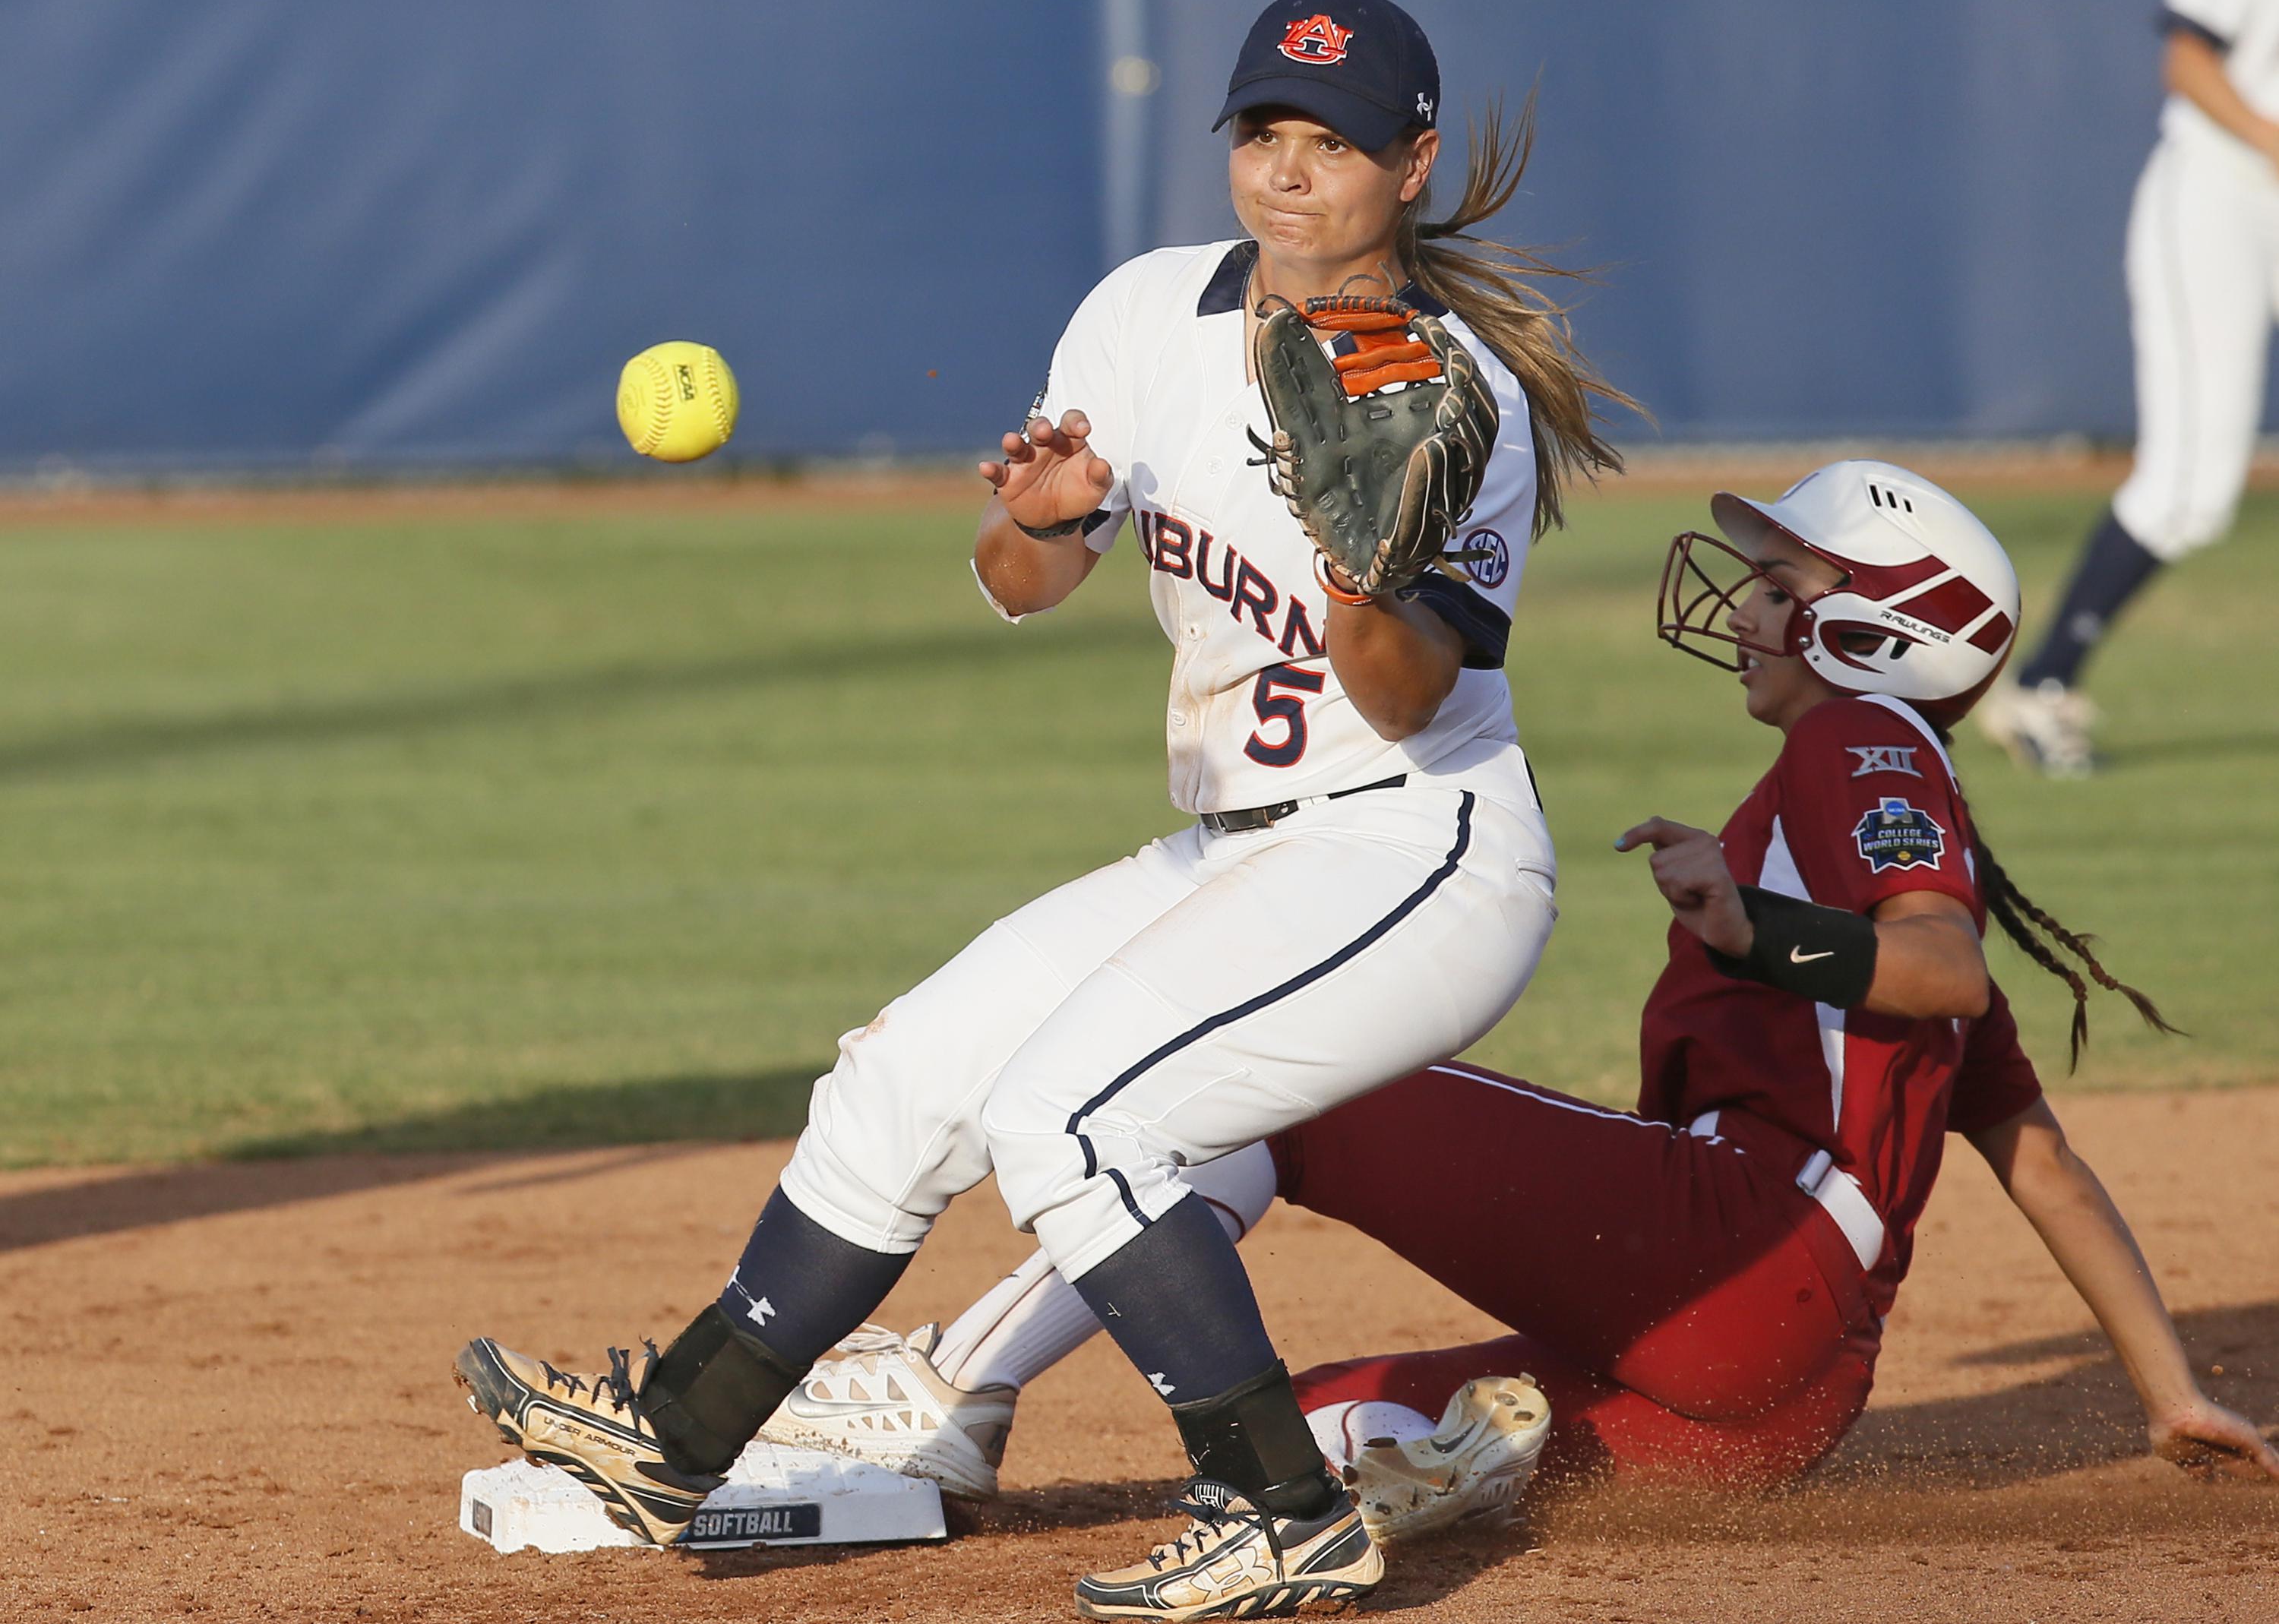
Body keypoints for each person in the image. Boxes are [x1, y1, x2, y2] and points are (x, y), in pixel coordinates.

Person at [455, 0, 1629, 1623]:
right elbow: (1022, 577)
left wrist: (1360, 544)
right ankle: (677, 1435)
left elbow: (1403, 690)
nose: (1290, 173)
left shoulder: (1456, 396)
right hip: (1240, 840)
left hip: (1415, 843)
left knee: (1077, 1117)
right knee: (906, 1074)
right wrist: (1047, 513)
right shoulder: (1147, 313)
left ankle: (1281, 1505)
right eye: (1265, 135)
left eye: (1336, 143)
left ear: (1413, 163)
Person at [760, 461, 2277, 1537]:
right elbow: (2044, 1161)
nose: (1748, 597)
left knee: (1280, 1068)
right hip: (1785, 1404)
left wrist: (1757, 928)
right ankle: (1443, 1460)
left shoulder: (1863, 745)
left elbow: (1940, 956)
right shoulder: (1849, 799)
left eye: (1786, 580)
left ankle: (949, 1388)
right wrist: (2171, 1394)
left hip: (1745, 1255)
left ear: (1881, 634)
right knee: (1303, 1430)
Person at [1980, 0, 2279, 776]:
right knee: (2191, 488)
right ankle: (2040, 691)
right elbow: (2186, 59)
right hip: (2226, 194)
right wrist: (2269, 136)